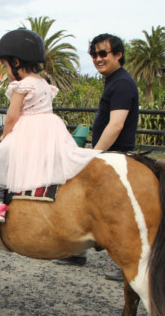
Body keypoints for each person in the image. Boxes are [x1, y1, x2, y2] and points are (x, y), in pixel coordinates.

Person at [0, 29, 101, 222]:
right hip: (50, 127)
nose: (5, 70)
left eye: (5, 64)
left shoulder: (22, 85)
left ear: (16, 62)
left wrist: (5, 135)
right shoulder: (44, 83)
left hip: (28, 128)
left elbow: (11, 115)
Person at [57, 33, 139, 282]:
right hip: (110, 154)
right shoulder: (114, 81)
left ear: (118, 54)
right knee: (87, 203)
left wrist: (93, 155)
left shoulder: (122, 83)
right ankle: (77, 249)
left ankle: (129, 261)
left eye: (103, 53)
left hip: (115, 156)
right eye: (94, 54)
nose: (98, 58)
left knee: (116, 213)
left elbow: (116, 125)